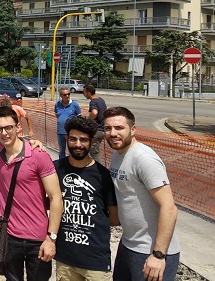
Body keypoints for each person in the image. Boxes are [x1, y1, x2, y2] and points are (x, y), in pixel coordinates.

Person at [104, 106, 180, 281]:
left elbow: (169, 208)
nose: (113, 133)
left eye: (119, 128)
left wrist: (158, 255)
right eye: (108, 128)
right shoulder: (118, 155)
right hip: (129, 244)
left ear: (133, 129)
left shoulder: (144, 158)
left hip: (150, 251)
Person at [0, 105, 62, 281]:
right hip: (9, 235)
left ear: (17, 127)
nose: (4, 133)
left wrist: (51, 238)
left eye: (9, 127)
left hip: (37, 238)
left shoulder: (38, 155)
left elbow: (56, 197)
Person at [54, 116, 118, 280]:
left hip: (95, 260)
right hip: (65, 258)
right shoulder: (55, 169)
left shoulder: (103, 175)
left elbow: (114, 218)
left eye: (83, 140)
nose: (78, 145)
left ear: (91, 142)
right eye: (73, 139)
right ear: (66, 139)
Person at [54, 87, 82, 159]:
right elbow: (57, 115)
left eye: (68, 94)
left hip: (71, 133)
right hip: (60, 132)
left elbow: (79, 118)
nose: (67, 96)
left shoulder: (74, 105)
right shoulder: (57, 104)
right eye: (65, 95)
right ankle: (62, 166)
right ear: (61, 96)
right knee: (61, 151)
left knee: (72, 150)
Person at [82, 85, 107, 164]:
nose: (84, 94)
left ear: (89, 93)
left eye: (84, 92)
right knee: (93, 152)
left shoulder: (93, 102)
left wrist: (89, 120)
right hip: (102, 130)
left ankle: (99, 172)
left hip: (97, 130)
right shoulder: (101, 100)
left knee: (94, 153)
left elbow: (94, 112)